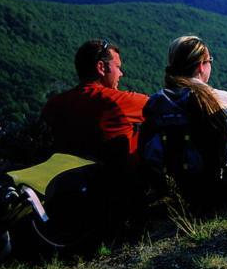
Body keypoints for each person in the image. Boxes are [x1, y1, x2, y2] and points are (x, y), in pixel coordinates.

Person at [141, 36, 227, 207]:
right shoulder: (220, 99)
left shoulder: (157, 102)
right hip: (223, 189)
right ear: (201, 65)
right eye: (210, 61)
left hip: (181, 192)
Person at [42, 39, 149, 171]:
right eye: (118, 67)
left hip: (62, 179)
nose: (121, 74)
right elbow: (166, 105)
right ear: (101, 67)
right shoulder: (118, 102)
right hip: (117, 183)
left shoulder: (53, 104)